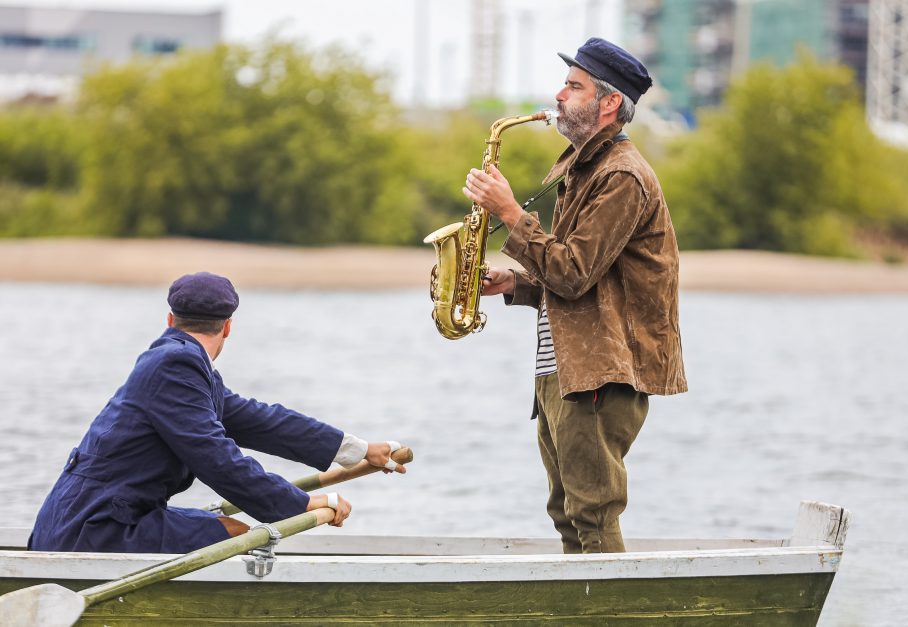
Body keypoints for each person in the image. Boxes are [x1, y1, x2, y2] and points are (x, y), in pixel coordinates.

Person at [462, 38, 687, 553]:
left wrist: (511, 215)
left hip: (601, 374)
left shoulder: (622, 175)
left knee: (593, 513)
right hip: (563, 368)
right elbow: (581, 278)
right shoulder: (585, 168)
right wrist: (514, 284)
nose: (559, 95)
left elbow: (574, 273)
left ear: (609, 103)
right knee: (567, 514)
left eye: (573, 85)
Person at [29, 271, 405, 554]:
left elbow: (265, 422)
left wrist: (359, 449)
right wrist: (299, 504)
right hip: (92, 529)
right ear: (228, 327)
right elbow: (217, 460)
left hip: (96, 519)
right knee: (235, 536)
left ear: (170, 320)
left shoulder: (178, 364)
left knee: (225, 527)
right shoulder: (176, 367)